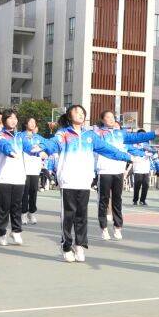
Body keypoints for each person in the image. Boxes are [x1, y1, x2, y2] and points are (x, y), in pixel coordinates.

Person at [40, 105, 132, 263]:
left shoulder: (91, 135)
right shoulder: (64, 133)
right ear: (69, 116)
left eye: (82, 113)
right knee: (68, 216)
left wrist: (126, 157)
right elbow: (52, 144)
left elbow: (107, 149)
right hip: (68, 180)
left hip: (84, 181)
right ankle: (66, 245)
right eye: (77, 112)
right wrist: (43, 150)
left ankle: (80, 245)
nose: (80, 115)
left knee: (82, 216)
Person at [92, 111, 156, 240]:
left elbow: (134, 142)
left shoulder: (120, 134)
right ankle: (104, 228)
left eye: (112, 117)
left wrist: (149, 142)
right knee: (104, 200)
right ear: (102, 119)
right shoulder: (97, 134)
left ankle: (117, 227)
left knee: (117, 200)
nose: (111, 119)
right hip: (104, 171)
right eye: (107, 117)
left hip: (119, 171)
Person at [0, 109, 44, 247]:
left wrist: (40, 152)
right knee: (4, 207)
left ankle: (16, 231)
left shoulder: (20, 137)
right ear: (4, 121)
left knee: (17, 206)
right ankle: (2, 232)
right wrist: (10, 152)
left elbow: (29, 148)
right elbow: (4, 145)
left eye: (15, 118)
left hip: (19, 176)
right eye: (10, 118)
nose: (13, 120)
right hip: (3, 177)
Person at [20, 117, 44, 224]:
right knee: (24, 192)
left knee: (33, 191)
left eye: (34, 122)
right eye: (30, 122)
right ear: (26, 124)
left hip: (35, 168)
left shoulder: (39, 137)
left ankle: (32, 212)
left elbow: (46, 146)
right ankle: (23, 213)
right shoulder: (20, 136)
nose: (33, 124)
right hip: (24, 168)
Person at [130, 139, 153, 206]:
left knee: (146, 185)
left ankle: (142, 200)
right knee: (137, 186)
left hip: (146, 169)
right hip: (137, 169)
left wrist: (148, 150)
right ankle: (135, 200)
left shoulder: (146, 146)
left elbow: (153, 152)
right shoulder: (133, 146)